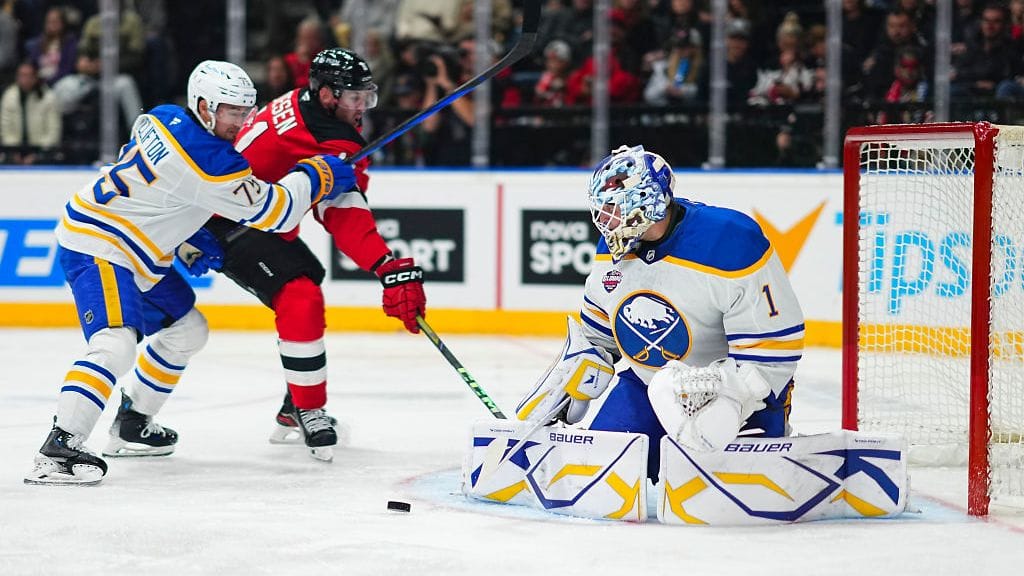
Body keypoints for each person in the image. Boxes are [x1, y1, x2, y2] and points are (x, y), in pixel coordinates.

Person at [23, 60, 357, 486]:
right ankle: (59, 447)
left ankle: (133, 423)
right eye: (232, 112)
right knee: (116, 344)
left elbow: (159, 181)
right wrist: (317, 174)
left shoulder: (163, 116)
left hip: (133, 244)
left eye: (246, 110)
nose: (242, 121)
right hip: (101, 246)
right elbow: (277, 211)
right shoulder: (214, 162)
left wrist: (182, 235)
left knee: (187, 330)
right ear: (204, 106)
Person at [184, 48, 427, 460]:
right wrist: (386, 267)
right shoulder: (330, 135)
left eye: (366, 97)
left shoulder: (304, 101)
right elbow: (340, 211)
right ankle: (306, 409)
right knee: (300, 295)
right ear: (329, 95)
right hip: (222, 221)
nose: (361, 108)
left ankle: (292, 406)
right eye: (353, 98)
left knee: (306, 276)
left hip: (241, 211)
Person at [515, 145, 804, 478]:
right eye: (602, 211)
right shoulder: (610, 252)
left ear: (647, 201)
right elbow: (599, 337)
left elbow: (772, 350)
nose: (606, 221)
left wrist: (729, 399)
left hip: (736, 394)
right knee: (600, 472)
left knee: (729, 484)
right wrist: (570, 381)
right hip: (647, 388)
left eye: (615, 209)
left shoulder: (729, 241)